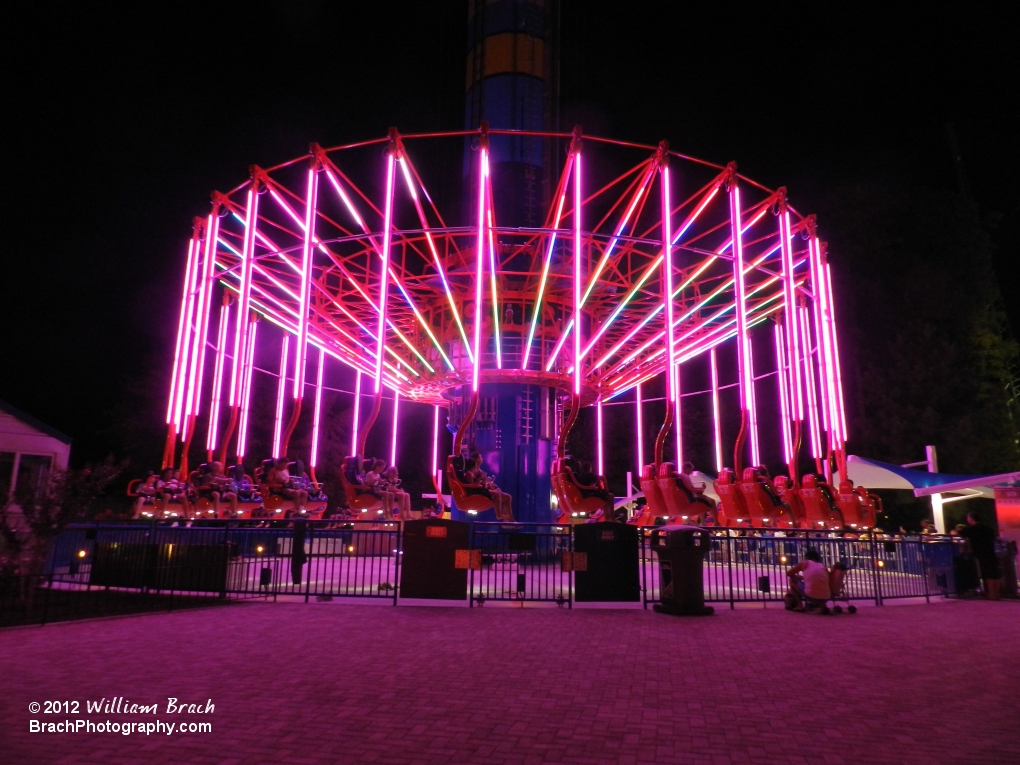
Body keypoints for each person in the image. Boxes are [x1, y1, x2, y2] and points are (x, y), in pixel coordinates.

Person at [958, 511, 1002, 600]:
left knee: (987, 573)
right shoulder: (988, 528)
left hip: (980, 553)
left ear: (970, 518)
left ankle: (991, 595)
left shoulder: (971, 529)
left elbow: (960, 533)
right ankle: (996, 594)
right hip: (991, 551)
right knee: (995, 573)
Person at [467, 452, 513, 521]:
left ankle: (510, 520)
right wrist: (482, 480)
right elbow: (473, 485)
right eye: (480, 457)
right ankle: (499, 515)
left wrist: (488, 482)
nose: (482, 459)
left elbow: (483, 481)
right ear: (476, 460)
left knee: (507, 497)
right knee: (497, 494)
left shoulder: (479, 470)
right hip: (478, 491)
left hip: (482, 488)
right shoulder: (469, 473)